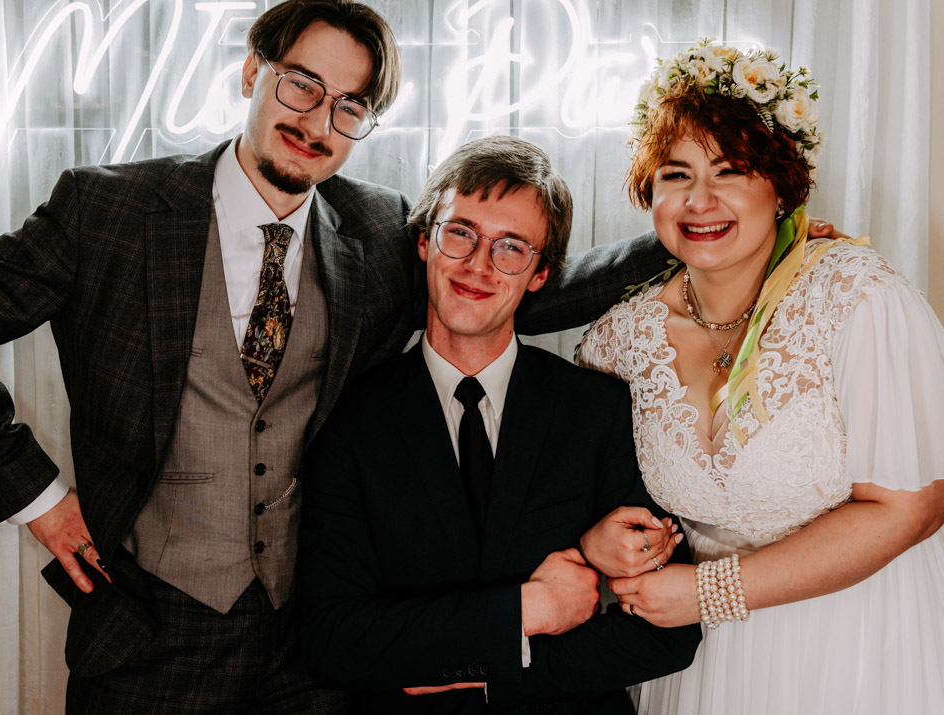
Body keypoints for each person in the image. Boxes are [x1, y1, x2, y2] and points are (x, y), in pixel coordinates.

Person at [0, 1, 701, 711]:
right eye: (301, 85)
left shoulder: (376, 230)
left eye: (349, 105)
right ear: (253, 71)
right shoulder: (109, 209)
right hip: (147, 633)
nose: (318, 120)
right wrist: (39, 499)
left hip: (307, 657)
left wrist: (695, 239)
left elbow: (496, 291)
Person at [577, 41, 944, 714]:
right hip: (702, 660)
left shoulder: (856, 297)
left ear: (781, 184)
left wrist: (709, 592)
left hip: (865, 640)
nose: (699, 200)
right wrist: (600, 541)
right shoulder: (619, 341)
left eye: (730, 170)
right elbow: (587, 499)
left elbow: (913, 507)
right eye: (675, 174)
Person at [296, 135, 702, 714]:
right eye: (460, 233)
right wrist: (528, 611)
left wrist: (488, 675)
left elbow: (669, 629)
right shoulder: (350, 417)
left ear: (540, 273)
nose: (478, 266)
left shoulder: (598, 409)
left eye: (512, 247)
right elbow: (333, 641)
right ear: (424, 241)